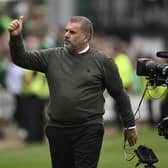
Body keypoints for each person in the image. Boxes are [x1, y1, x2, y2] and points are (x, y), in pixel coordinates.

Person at [8, 15, 138, 168]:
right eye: (66, 30)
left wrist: (129, 125)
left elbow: (119, 94)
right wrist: (16, 37)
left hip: (88, 129)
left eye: (72, 32)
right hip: (58, 129)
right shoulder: (52, 56)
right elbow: (21, 59)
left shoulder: (103, 62)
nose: (66, 35)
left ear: (86, 37)